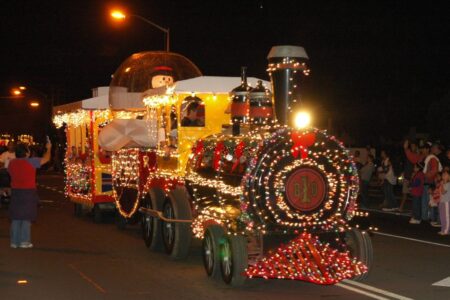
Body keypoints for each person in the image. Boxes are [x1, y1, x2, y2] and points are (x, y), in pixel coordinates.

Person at [8, 141, 51, 248]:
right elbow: (46, 159)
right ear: (26, 153)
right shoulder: (32, 162)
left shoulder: (12, 163)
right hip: (28, 192)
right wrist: (49, 148)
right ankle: (24, 241)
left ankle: (14, 241)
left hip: (16, 191)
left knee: (16, 217)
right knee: (26, 217)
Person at [438, 169, 450, 235]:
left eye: (445, 174)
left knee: (447, 217)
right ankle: (443, 229)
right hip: (442, 201)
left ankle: (446, 230)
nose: (443, 175)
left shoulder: (448, 184)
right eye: (443, 174)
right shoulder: (444, 183)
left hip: (446, 202)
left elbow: (443, 192)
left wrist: (442, 185)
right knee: (442, 216)